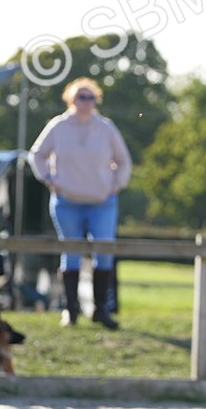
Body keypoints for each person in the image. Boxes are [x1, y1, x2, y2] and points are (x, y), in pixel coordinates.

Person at [29, 77, 132, 330]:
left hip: (102, 202)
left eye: (90, 97)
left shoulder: (106, 128)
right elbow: (37, 155)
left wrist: (116, 185)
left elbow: (124, 160)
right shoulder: (59, 126)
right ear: (71, 99)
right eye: (80, 97)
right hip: (68, 202)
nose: (86, 102)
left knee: (104, 254)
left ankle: (100, 309)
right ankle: (71, 310)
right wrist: (49, 179)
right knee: (71, 255)